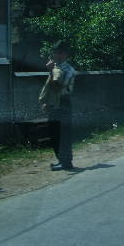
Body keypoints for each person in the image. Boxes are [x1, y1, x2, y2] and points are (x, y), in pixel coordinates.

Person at [43, 41, 76, 171]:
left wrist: (51, 71)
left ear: (64, 54)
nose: (55, 55)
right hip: (55, 103)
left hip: (64, 102)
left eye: (57, 53)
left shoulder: (68, 70)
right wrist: (47, 102)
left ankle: (66, 162)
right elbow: (49, 87)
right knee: (54, 132)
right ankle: (60, 160)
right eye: (54, 52)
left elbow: (59, 87)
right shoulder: (56, 68)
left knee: (64, 134)